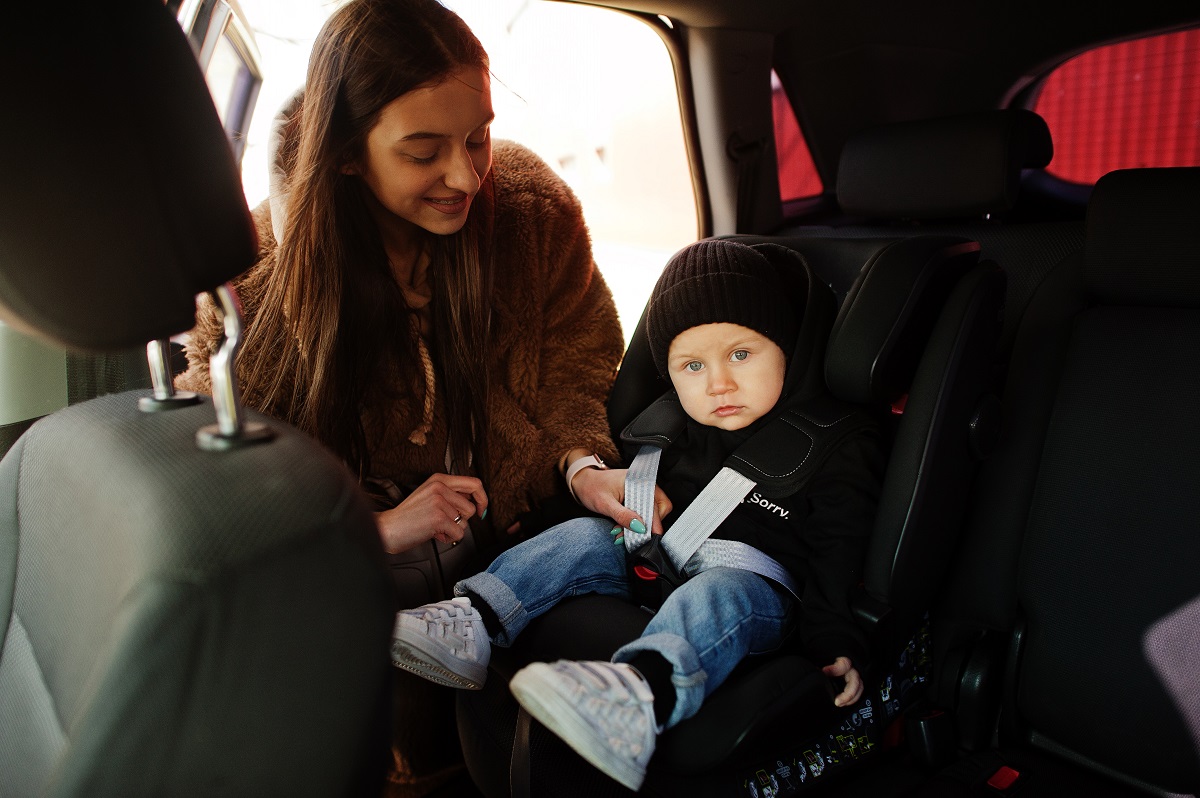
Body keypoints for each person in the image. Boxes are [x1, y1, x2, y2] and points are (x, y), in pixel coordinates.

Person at [174, 0, 629, 792]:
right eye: (424, 152)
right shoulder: (254, 284)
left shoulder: (530, 213)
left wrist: (582, 460)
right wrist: (372, 528)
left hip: (514, 542)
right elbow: (234, 499)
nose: (465, 174)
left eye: (478, 136)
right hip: (356, 601)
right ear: (348, 155)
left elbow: (577, 367)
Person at [391, 239, 885, 791]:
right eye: (692, 366)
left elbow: (840, 550)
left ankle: (637, 695)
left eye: (741, 355)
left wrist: (835, 640)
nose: (718, 383)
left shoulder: (835, 444)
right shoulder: (670, 422)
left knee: (718, 591)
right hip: (655, 556)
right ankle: (475, 618)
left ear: (787, 349)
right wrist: (538, 524)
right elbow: (621, 488)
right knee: (583, 532)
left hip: (756, 590)